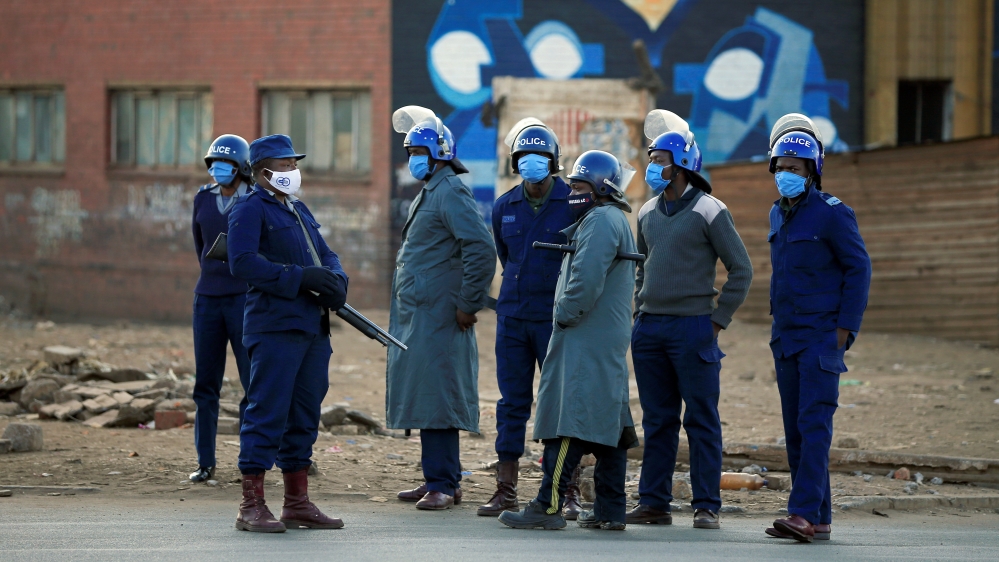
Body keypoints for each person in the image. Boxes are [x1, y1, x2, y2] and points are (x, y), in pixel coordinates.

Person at [498, 150, 638, 531]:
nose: (572, 192)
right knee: (607, 423)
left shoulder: (600, 221)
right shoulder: (607, 218)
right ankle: (611, 509)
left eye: (579, 185)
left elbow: (585, 280)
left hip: (585, 335)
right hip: (600, 336)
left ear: (600, 187)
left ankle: (548, 505)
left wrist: (561, 315)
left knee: (569, 420)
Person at [627, 111, 753, 530]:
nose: (652, 167)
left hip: (694, 328)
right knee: (657, 419)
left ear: (681, 162)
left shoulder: (709, 210)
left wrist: (717, 321)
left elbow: (741, 269)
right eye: (651, 158)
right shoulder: (645, 212)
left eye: (660, 159)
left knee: (701, 418)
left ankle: (706, 505)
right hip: (650, 330)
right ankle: (654, 503)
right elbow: (642, 266)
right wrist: (637, 311)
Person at [227, 134, 349, 533]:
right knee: (267, 411)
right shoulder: (249, 208)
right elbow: (242, 263)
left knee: (303, 414)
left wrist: (336, 279)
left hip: (313, 328)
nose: (292, 171)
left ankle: (297, 502)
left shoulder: (297, 208)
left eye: (294, 164)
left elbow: (324, 253)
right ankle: (252, 504)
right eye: (284, 165)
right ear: (262, 171)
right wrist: (299, 278)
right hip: (275, 325)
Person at [763, 115, 871, 543]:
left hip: (822, 338)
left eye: (797, 167)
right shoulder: (777, 214)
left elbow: (858, 269)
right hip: (786, 338)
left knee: (814, 426)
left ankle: (802, 513)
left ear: (813, 171)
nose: (787, 174)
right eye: (782, 167)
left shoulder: (833, 214)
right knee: (796, 430)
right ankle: (820, 518)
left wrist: (844, 331)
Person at [387, 106, 496, 511]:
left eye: (419, 150)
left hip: (441, 312)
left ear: (439, 153)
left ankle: (443, 485)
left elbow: (481, 248)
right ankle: (439, 477)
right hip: (423, 311)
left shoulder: (450, 190)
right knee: (427, 394)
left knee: (437, 396)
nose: (412, 158)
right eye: (410, 150)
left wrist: (468, 304)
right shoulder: (434, 189)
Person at [478, 120, 577, 518]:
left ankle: (564, 489)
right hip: (514, 318)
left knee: (560, 404)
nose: (531, 165)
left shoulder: (574, 202)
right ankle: (506, 489)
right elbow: (507, 258)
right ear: (515, 163)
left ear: (553, 163)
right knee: (512, 403)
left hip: (556, 321)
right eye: (524, 158)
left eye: (539, 158)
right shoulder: (505, 205)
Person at [189, 134, 253, 483]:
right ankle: (205, 461)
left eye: (225, 164)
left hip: (244, 299)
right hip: (207, 299)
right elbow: (199, 245)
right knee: (205, 385)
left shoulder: (255, 200)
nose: (218, 169)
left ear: (241, 167)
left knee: (251, 383)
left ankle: (251, 461)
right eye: (213, 163)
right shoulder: (202, 198)